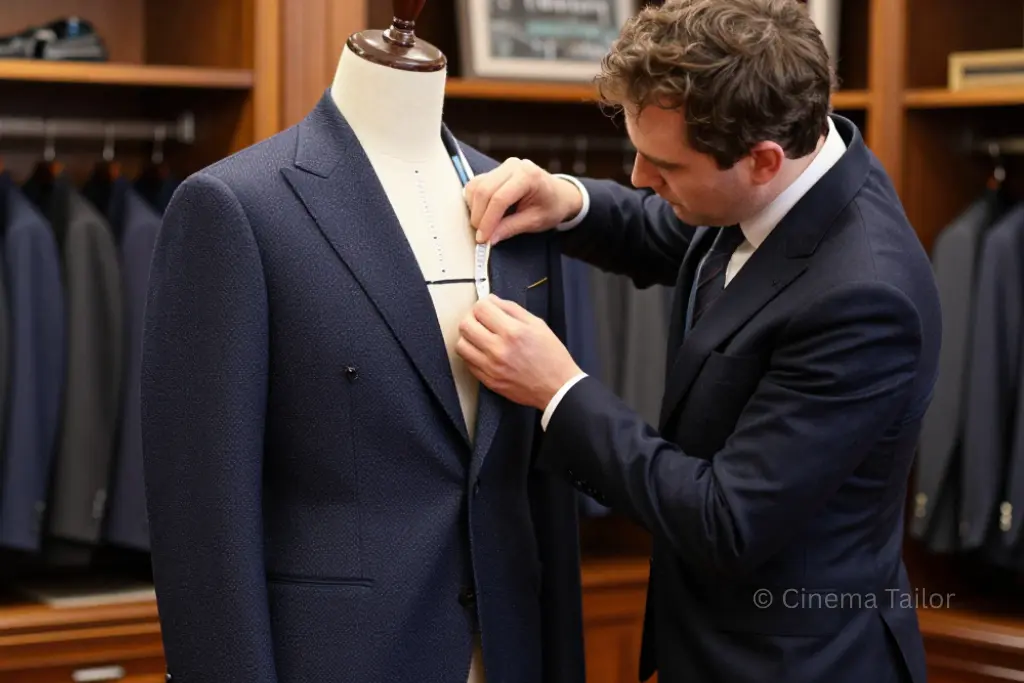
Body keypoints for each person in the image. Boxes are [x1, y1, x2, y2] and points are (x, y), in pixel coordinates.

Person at [455, 1, 941, 682]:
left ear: (763, 160)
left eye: (664, 166)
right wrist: (567, 198)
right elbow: (678, 232)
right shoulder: (789, 178)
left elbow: (726, 519)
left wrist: (558, 390)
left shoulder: (866, 299)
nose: (639, 178)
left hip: (794, 664)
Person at [140, 11, 585, 683]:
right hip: (338, 655)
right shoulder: (239, 207)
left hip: (510, 643)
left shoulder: (523, 204)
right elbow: (201, 519)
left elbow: (544, 478)